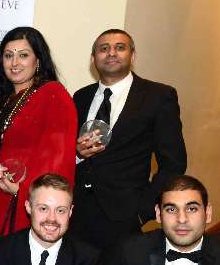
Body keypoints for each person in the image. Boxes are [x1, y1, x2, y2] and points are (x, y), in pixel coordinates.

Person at [70, 29, 187, 253]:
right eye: (103, 49)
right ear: (93, 59)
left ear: (132, 56)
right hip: (79, 212)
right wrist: (77, 154)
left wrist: (144, 210)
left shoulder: (158, 96)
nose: (111, 53)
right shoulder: (80, 97)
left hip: (125, 216)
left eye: (120, 47)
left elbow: (174, 163)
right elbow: (70, 150)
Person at [0, 26, 78, 243]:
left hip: (27, 198)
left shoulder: (53, 93)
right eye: (8, 56)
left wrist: (25, 192)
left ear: (38, 61)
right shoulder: (4, 99)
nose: (14, 63)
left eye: (23, 55)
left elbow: (59, 157)